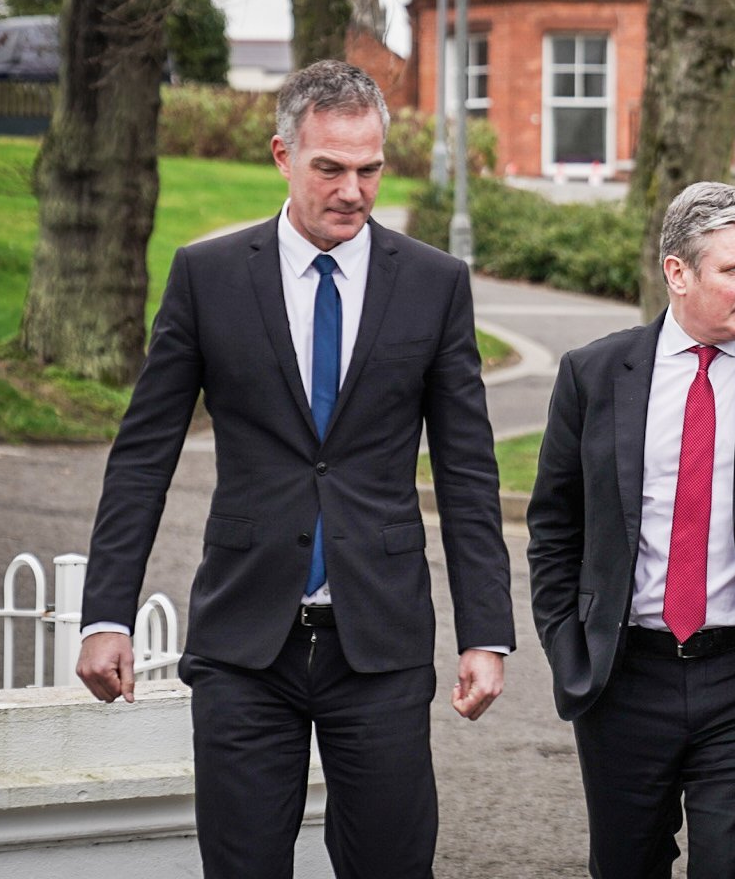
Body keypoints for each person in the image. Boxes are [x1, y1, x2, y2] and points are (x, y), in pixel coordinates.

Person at [74, 60, 515, 878]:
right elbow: (142, 456)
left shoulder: (435, 285)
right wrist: (106, 614)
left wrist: (485, 633)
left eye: (370, 170)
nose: (353, 191)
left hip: (379, 645)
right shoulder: (207, 277)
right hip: (244, 643)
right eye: (330, 169)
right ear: (282, 155)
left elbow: (467, 471)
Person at [527, 181, 735, 878]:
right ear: (677, 273)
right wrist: (569, 645)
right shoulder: (593, 374)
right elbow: (555, 525)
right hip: (624, 678)